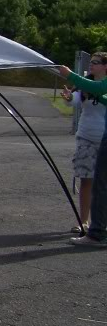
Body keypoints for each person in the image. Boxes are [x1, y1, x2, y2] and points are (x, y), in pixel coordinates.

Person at [55, 62, 107, 247]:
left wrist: (70, 75)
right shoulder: (86, 85)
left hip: (103, 138)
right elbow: (77, 100)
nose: (92, 65)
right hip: (86, 136)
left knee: (101, 185)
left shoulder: (98, 85)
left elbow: (100, 90)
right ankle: (85, 222)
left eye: (96, 63)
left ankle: (99, 229)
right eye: (91, 62)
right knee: (88, 180)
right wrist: (69, 97)